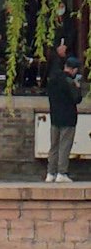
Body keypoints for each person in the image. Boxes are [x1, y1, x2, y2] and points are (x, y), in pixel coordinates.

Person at [46, 35, 82, 184]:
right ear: (73, 69)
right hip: (68, 118)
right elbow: (77, 99)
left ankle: (50, 173)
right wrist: (78, 87)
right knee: (64, 146)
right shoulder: (70, 82)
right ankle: (62, 172)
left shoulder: (53, 79)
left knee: (53, 146)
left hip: (55, 116)